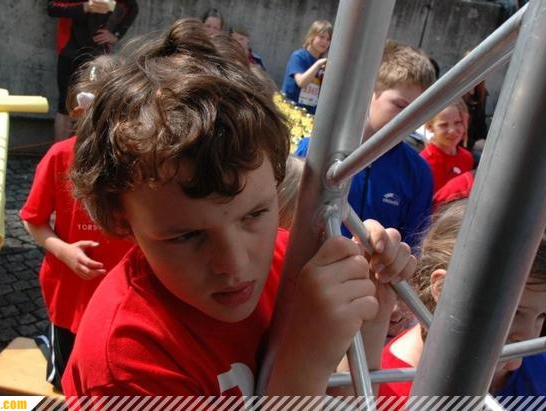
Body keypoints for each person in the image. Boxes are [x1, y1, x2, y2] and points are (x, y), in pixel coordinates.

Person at [60, 19, 416, 396]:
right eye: (187, 236)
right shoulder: (124, 363)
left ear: (277, 180)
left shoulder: (293, 262)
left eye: (254, 215)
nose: (234, 264)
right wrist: (305, 358)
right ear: (122, 220)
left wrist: (369, 324)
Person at [20, 55, 134, 389]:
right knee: (64, 382)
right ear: (78, 112)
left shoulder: (138, 164)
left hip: (123, 296)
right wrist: (64, 251)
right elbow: (33, 220)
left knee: (112, 376)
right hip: (70, 293)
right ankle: (49, 344)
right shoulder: (59, 157)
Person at [379, 199, 546, 399]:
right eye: (514, 313)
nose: (529, 337)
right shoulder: (378, 390)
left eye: (543, 316)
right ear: (443, 290)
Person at [296, 40, 436, 249]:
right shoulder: (315, 151)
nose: (410, 119)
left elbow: (413, 247)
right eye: (400, 106)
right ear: (369, 91)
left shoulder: (418, 173)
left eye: (419, 112)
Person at [47, 0, 139, 141]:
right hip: (69, 50)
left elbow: (132, 7)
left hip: (98, 54)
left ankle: (88, 151)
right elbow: (52, 8)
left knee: (98, 105)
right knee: (64, 106)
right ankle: (61, 151)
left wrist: (116, 34)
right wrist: (84, 7)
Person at [420, 98, 474, 194]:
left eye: (458, 122)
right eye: (444, 125)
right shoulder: (423, 163)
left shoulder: (467, 158)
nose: (452, 130)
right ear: (430, 127)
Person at [281, 20, 332, 115]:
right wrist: (317, 64)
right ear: (311, 36)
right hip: (290, 110)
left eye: (328, 39)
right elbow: (301, 82)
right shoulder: (299, 56)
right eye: (321, 37)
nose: (325, 42)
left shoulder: (324, 63)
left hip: (310, 114)